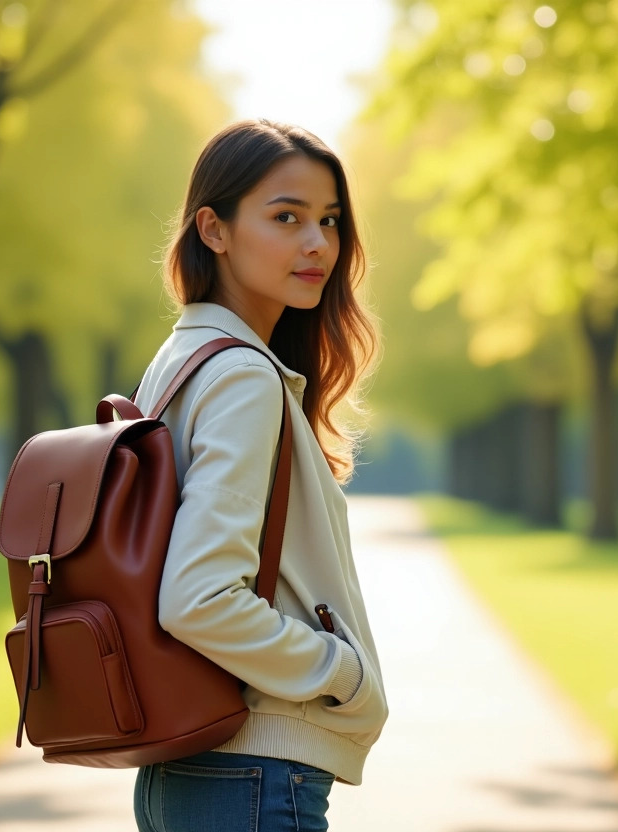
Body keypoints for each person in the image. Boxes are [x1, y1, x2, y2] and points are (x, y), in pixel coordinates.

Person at [130, 119, 388, 832]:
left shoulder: (183, 358)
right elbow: (199, 597)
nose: (318, 244)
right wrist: (342, 672)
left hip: (198, 770)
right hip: (251, 774)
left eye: (329, 221)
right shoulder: (242, 376)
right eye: (286, 217)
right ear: (213, 230)